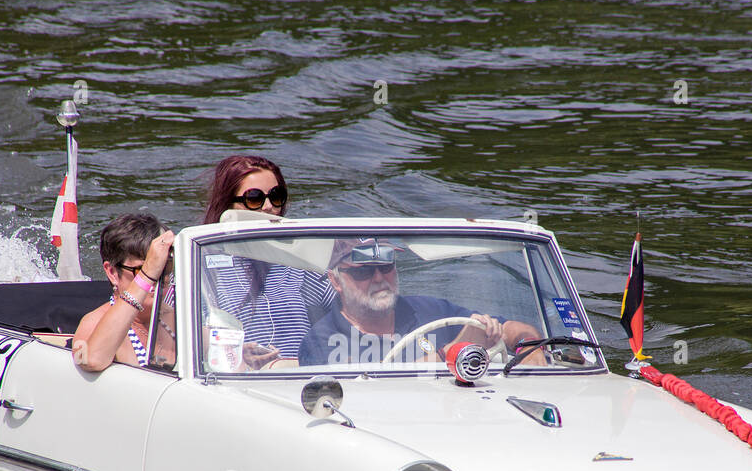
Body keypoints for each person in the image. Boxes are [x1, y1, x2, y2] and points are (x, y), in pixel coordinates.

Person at [298, 238, 544, 367]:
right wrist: (450, 353)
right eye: (363, 272)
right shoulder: (320, 341)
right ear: (335, 280)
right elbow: (371, 388)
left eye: (386, 267)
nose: (378, 278)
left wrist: (529, 348)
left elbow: (513, 328)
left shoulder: (433, 311)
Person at [202, 155, 335, 367]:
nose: (268, 207)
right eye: (254, 198)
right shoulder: (202, 263)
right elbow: (178, 328)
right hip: (238, 383)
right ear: (229, 204)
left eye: (276, 196)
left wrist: (352, 263)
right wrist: (233, 351)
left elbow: (346, 313)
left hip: (300, 378)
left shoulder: (301, 263)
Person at [72, 213, 175, 372]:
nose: (157, 278)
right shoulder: (93, 322)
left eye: (164, 269)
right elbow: (89, 360)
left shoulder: (177, 319)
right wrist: (146, 276)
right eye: (142, 269)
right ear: (113, 272)